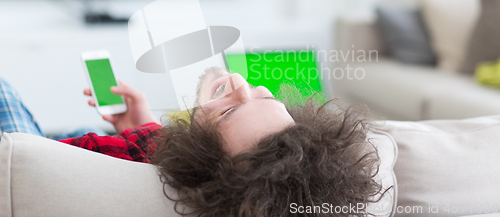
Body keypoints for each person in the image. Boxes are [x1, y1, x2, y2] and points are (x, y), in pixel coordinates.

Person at [0, 69, 385, 216]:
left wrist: (134, 137)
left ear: (199, 157)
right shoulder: (175, 150)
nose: (239, 83)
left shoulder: (120, 159)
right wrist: (144, 124)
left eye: (227, 111)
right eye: (267, 99)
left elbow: (41, 156)